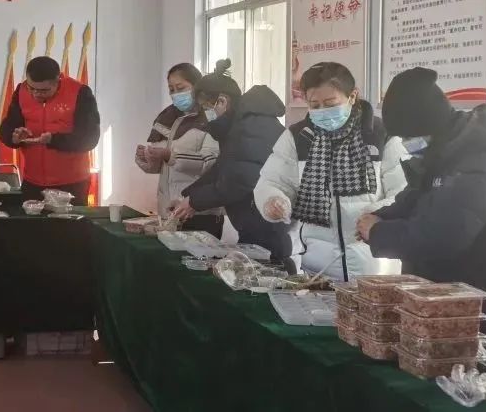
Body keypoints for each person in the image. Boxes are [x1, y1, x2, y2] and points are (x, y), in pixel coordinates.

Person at [358, 67, 486, 364]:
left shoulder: (482, 164)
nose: (406, 143)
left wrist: (378, 232)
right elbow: (416, 199)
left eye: (409, 136)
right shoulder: (445, 157)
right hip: (463, 310)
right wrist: (379, 217)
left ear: (429, 126)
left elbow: (441, 237)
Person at [254, 62, 407, 281]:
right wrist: (273, 200)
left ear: (352, 96)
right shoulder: (298, 137)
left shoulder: (381, 135)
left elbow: (404, 192)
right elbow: (272, 182)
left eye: (330, 103)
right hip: (317, 268)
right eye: (314, 105)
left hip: (376, 267)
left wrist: (376, 213)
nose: (322, 111)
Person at [171, 59, 292, 267]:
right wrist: (188, 197)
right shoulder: (239, 126)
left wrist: (194, 202)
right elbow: (223, 169)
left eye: (206, 108)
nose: (206, 115)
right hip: (254, 226)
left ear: (222, 101)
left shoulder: (252, 127)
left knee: (267, 272)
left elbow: (238, 181)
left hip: (266, 230)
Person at [135, 63, 222, 236]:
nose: (176, 94)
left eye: (181, 88)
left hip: (199, 211)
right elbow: (162, 167)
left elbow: (210, 163)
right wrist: (147, 158)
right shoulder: (167, 118)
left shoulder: (212, 117)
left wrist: (170, 156)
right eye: (171, 89)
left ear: (197, 86)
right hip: (168, 211)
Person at [0, 56, 100, 205]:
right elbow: (6, 128)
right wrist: (13, 137)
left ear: (58, 80)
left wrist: (54, 140)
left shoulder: (79, 92)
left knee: (69, 221)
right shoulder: (21, 91)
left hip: (72, 183)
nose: (36, 94)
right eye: (31, 88)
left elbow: (90, 138)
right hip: (33, 182)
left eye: (44, 90)